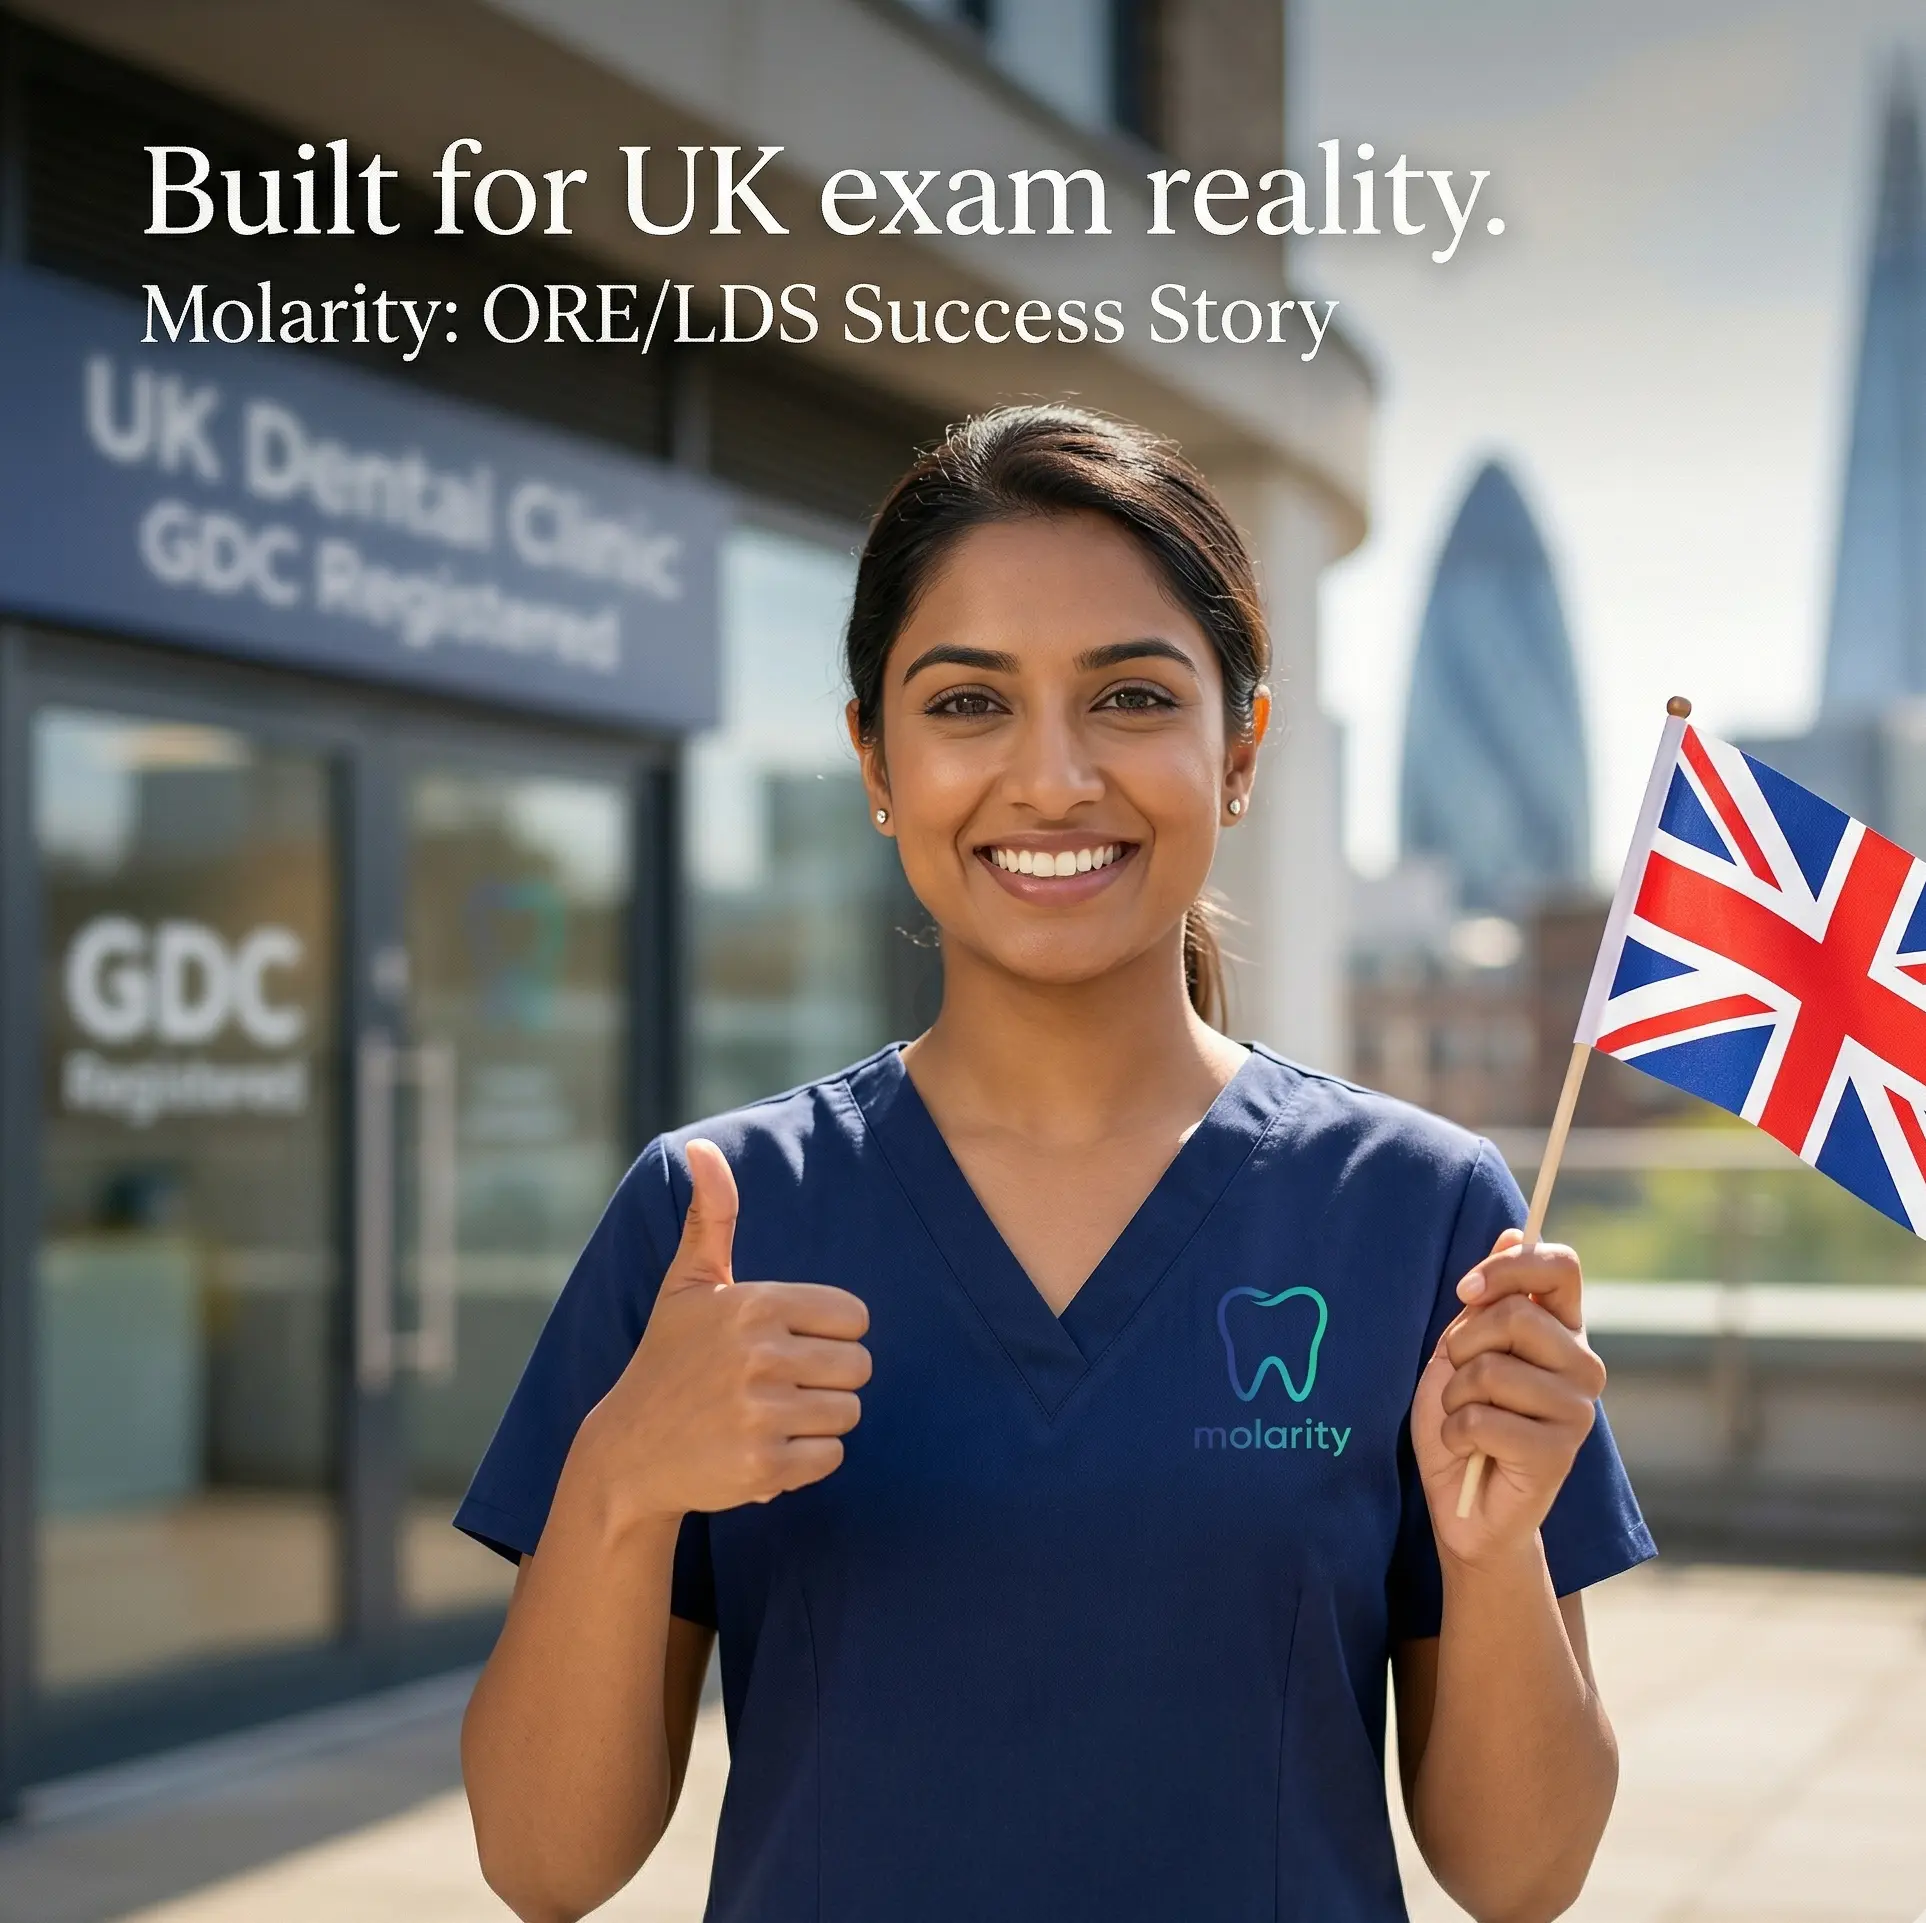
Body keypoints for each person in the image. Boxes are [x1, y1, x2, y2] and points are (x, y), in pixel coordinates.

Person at [457, 405, 1654, 1923]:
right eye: (966, 703)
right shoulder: (715, 1216)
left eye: (1131, 695)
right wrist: (620, 1483)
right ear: (872, 759)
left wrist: (1486, 1563)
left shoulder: (1423, 1217)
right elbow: (542, 1865)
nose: (1052, 777)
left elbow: (1521, 1873)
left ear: (1239, 751)